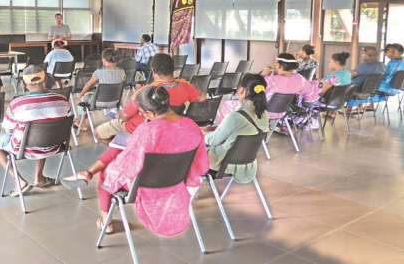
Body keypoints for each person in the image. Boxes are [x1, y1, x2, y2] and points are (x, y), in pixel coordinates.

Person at [65, 86, 208, 236]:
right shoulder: (191, 126)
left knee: (107, 174)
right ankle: (89, 175)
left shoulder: (147, 131)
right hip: (177, 180)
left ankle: (105, 221)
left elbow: (126, 165)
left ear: (151, 113)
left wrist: (107, 169)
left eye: (142, 112)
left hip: (146, 184)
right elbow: (200, 162)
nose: (141, 114)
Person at [0, 65, 72, 194]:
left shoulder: (17, 103)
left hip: (25, 148)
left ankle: (20, 182)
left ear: (24, 84)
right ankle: (39, 177)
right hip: (55, 145)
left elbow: (8, 129)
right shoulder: (62, 100)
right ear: (45, 81)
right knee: (44, 133)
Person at [94, 53, 206, 142]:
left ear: (153, 70)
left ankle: (127, 153)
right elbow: (202, 99)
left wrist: (118, 115)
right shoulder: (185, 85)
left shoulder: (144, 92)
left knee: (98, 132)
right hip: (169, 129)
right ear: (173, 69)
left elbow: (124, 116)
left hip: (140, 129)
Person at [215, 53, 319, 125]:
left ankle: (223, 130)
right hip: (282, 113)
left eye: (275, 63)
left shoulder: (271, 80)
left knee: (226, 104)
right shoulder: (300, 79)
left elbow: (249, 88)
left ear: (279, 66)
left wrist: (262, 75)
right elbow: (310, 94)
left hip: (262, 111)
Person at [205, 74, 269, 183]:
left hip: (224, 164)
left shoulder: (236, 116)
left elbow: (214, 140)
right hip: (247, 164)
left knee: (191, 150)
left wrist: (203, 135)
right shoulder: (264, 114)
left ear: (241, 90)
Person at [347, 43, 404, 108]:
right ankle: (366, 106)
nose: (389, 54)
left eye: (363, 53)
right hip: (393, 88)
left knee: (365, 88)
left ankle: (352, 105)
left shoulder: (364, 66)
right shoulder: (384, 65)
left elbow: (389, 77)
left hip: (384, 87)